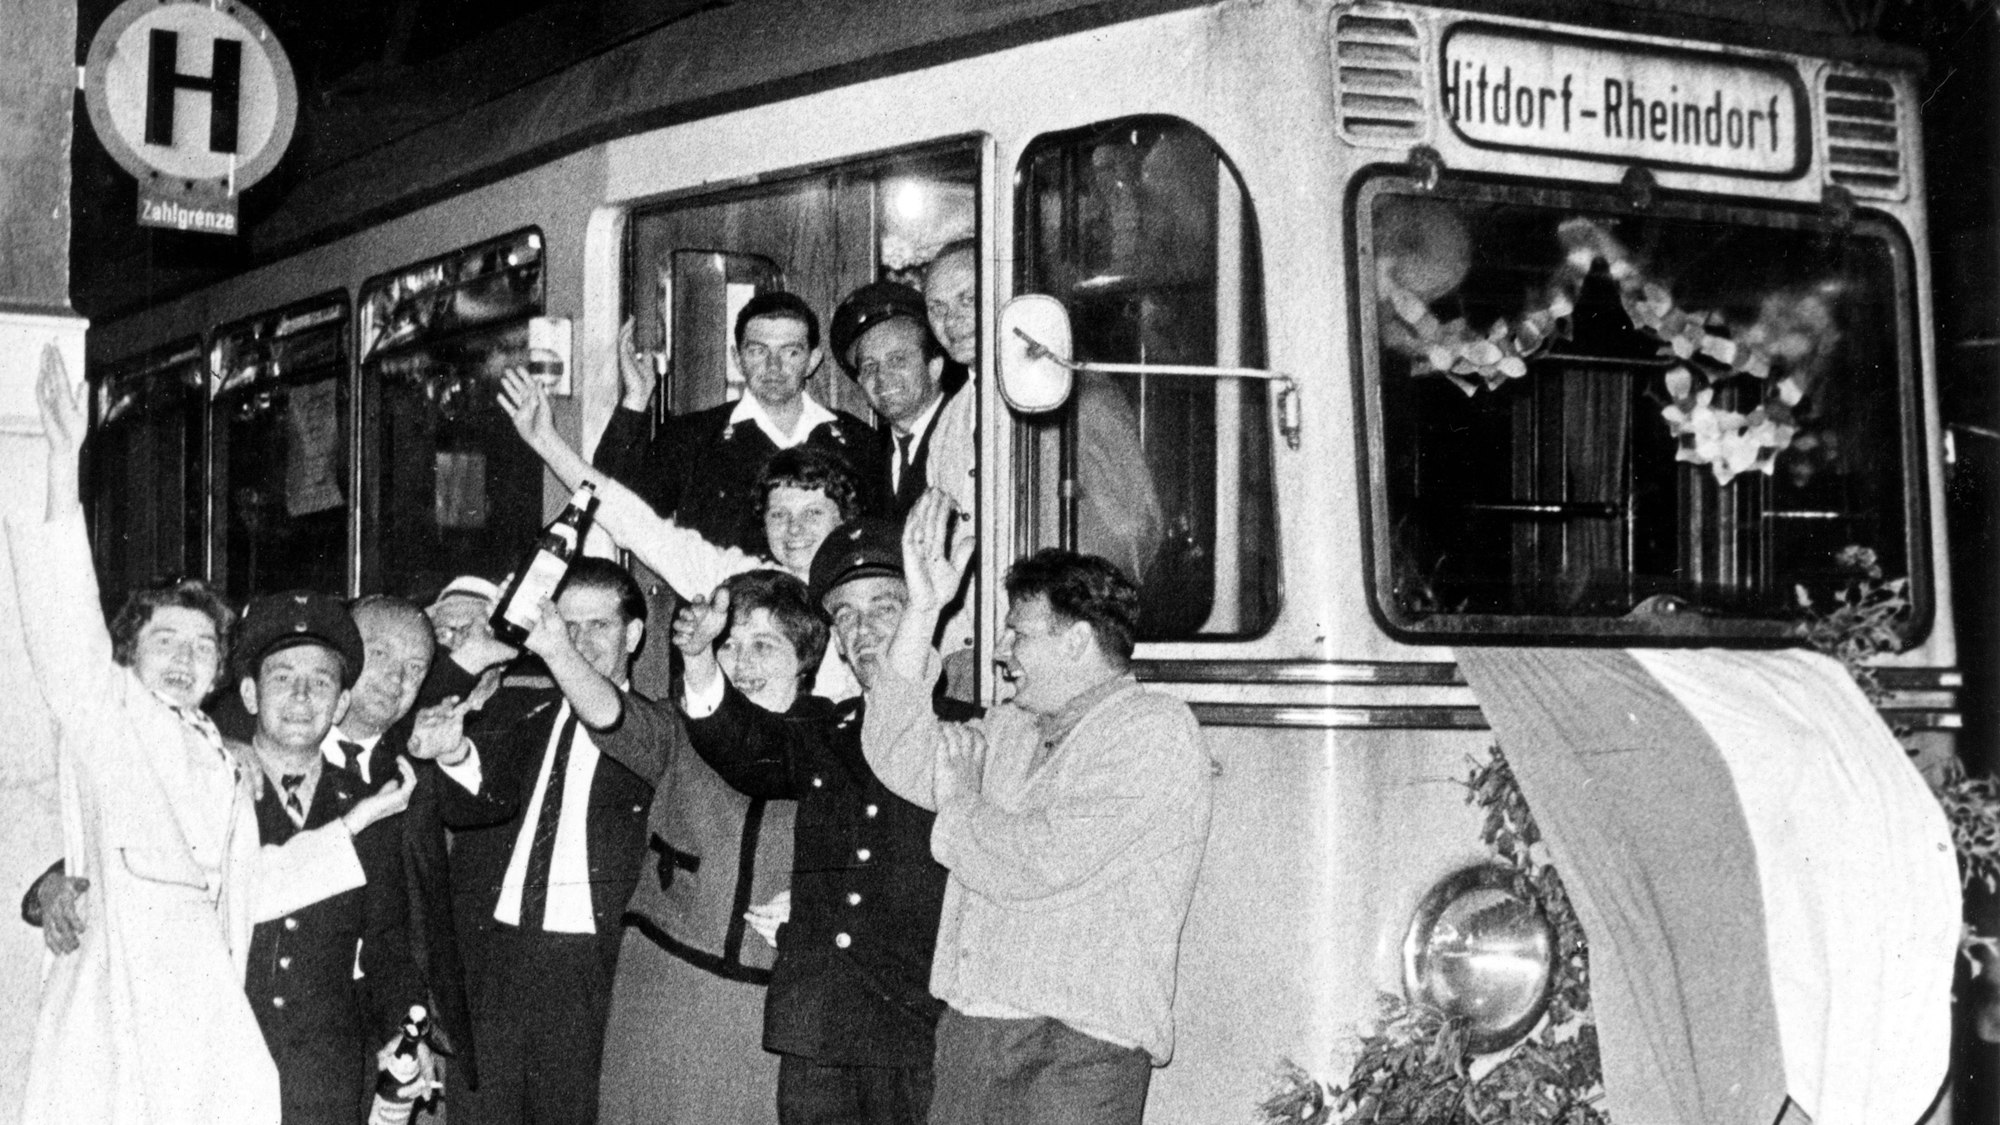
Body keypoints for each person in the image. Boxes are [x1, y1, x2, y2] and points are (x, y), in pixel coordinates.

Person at [6, 344, 413, 1125]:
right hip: (119, 1014)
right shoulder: (111, 716)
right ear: (130, 652)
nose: (186, 658)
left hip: (196, 1021)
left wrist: (354, 824)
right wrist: (64, 465)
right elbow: (64, 632)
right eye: (166, 641)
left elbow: (248, 884)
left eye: (202, 647)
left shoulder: (214, 757)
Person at [863, 490, 1214, 1124]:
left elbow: (1040, 858)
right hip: (974, 1035)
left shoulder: (1154, 730)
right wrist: (922, 610)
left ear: (1078, 642)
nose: (1000, 652)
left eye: (1018, 634)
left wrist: (962, 801)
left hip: (1077, 1048)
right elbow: (896, 751)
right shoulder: (1008, 729)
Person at [674, 525, 979, 1125]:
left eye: (884, 610)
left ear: (926, 611)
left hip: (919, 1030)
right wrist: (698, 656)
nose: (863, 632)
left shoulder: (975, 731)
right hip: (819, 1029)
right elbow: (743, 744)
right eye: (845, 617)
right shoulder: (827, 731)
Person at [414, 557, 674, 1125]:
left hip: (590, 974)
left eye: (597, 626)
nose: (577, 642)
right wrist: (457, 751)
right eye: (566, 627)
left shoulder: (660, 728)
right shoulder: (517, 710)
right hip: (494, 962)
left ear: (634, 635)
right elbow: (466, 793)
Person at [499, 368, 861, 699]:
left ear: (844, 519)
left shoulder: (870, 588)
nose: (794, 529)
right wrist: (545, 441)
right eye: (779, 514)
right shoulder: (739, 579)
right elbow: (634, 522)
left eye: (812, 513)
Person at [232, 591, 430, 1125]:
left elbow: (388, 939)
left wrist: (403, 1028)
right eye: (282, 678)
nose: (302, 695)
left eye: (321, 682)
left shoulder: (369, 804)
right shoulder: (211, 785)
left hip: (325, 1077)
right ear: (249, 694)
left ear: (341, 704)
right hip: (222, 1064)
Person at [593, 290, 881, 556]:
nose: (773, 366)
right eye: (758, 351)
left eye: (790, 352)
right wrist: (636, 398)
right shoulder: (693, 437)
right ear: (737, 358)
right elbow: (614, 510)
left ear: (813, 360)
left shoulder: (857, 440)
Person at [828, 282, 978, 694]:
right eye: (869, 367)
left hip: (966, 664)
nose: (882, 377)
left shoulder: (973, 435)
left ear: (934, 366)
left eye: (897, 360)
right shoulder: (862, 458)